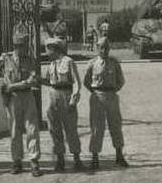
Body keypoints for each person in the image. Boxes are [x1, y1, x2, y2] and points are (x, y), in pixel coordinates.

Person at [0, 31, 42, 176]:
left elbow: (32, 80)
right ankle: (16, 161)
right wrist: (0, 80)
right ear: (16, 46)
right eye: (21, 46)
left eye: (24, 45)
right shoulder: (6, 58)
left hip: (27, 95)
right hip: (12, 98)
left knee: (32, 128)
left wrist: (12, 86)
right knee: (14, 130)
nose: (23, 48)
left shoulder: (30, 60)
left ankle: (34, 161)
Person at [82, 36, 127, 171]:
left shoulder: (114, 63)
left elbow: (121, 81)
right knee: (97, 127)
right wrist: (96, 91)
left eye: (106, 47)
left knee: (116, 125)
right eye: (101, 47)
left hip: (111, 95)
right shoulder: (92, 63)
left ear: (109, 48)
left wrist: (112, 91)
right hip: (97, 96)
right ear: (97, 48)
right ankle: (95, 157)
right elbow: (86, 82)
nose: (104, 50)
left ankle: (119, 155)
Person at [41, 37, 83, 172]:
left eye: (48, 49)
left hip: (66, 95)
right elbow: (49, 81)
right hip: (53, 96)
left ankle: (77, 159)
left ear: (54, 49)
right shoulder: (51, 64)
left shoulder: (68, 61)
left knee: (71, 129)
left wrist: (73, 100)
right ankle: (60, 160)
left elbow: (76, 82)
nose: (46, 52)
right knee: (54, 129)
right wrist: (38, 79)